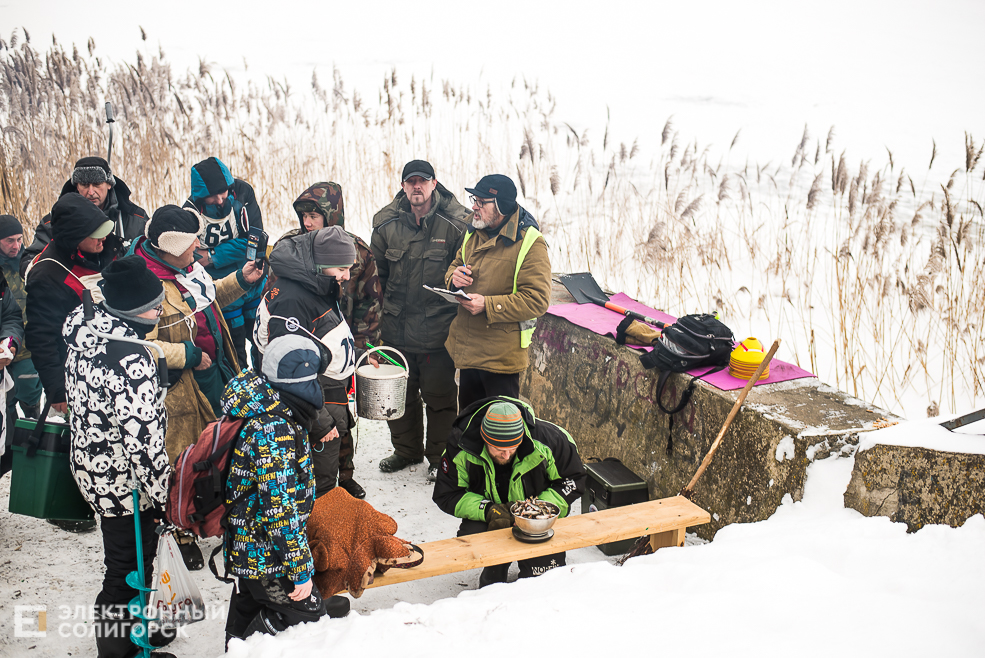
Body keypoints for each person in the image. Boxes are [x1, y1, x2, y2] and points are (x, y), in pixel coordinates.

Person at [129, 204, 264, 570]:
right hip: (181, 392)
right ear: (171, 246)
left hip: (217, 372)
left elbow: (208, 300)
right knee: (184, 460)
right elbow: (143, 345)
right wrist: (188, 354)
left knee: (222, 450)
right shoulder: (146, 282)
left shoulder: (188, 269)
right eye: (191, 242)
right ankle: (180, 531)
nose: (199, 247)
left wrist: (242, 279)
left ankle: (218, 515)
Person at [62, 256, 175, 657]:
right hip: (124, 482)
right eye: (154, 306)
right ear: (129, 310)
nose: (160, 311)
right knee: (125, 568)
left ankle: (140, 632)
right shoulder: (131, 359)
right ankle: (118, 651)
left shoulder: (87, 332)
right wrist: (166, 496)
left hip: (92, 466)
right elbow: (143, 444)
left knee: (132, 561)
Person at [222, 334, 350, 645]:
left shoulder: (263, 397)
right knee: (306, 617)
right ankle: (251, 647)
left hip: (247, 541)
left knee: (249, 597)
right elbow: (279, 511)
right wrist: (302, 572)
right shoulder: (273, 429)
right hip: (262, 550)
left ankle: (234, 645)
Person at [278, 181, 383, 498]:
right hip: (299, 351)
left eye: (315, 215)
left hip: (340, 351)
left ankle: (344, 473)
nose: (307, 222)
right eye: (304, 215)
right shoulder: (290, 247)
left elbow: (371, 304)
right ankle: (304, 478)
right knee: (301, 416)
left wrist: (366, 350)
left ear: (332, 215)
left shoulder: (358, 252)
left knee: (339, 415)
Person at [371, 160, 470, 481]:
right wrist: (372, 331)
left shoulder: (456, 224)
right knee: (398, 396)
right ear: (402, 186)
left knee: (440, 398)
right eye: (410, 182)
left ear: (434, 183)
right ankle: (405, 451)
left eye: (422, 181)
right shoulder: (386, 225)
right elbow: (375, 281)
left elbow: (467, 276)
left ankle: (438, 458)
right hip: (395, 331)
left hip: (438, 332)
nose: (417, 187)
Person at [432, 397, 586, 587]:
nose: (506, 455)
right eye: (498, 449)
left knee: (542, 584)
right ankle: (495, 566)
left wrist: (536, 509)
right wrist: (486, 509)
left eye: (513, 447)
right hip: (493, 516)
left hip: (537, 519)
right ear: (484, 438)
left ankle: (537, 567)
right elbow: (447, 494)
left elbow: (574, 479)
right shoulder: (460, 447)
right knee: (473, 534)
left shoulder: (551, 440)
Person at [444, 174, 552, 410]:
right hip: (467, 349)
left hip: (500, 359)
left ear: (502, 206)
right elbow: (455, 264)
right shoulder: (473, 231)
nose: (474, 206)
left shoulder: (531, 242)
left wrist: (488, 305)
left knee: (501, 433)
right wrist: (454, 278)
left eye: (482, 202)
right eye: (475, 199)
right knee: (468, 429)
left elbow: (537, 300)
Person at [182, 156, 266, 369]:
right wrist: (238, 247)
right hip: (223, 292)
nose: (220, 200)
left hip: (255, 284)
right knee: (235, 353)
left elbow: (256, 243)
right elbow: (190, 256)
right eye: (212, 197)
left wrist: (212, 255)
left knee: (263, 343)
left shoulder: (243, 193)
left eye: (223, 193)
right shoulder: (190, 211)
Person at [20, 156, 147, 275]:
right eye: (85, 185)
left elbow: (152, 258)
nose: (91, 192)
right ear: (76, 186)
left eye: (97, 185)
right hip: (72, 293)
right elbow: (29, 263)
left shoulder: (136, 218)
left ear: (109, 184)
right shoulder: (55, 221)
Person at [0, 215, 38, 479]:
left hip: (26, 350)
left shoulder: (29, 263)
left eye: (19, 239)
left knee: (32, 403)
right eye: (9, 241)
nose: (16, 245)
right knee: (8, 408)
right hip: (4, 356)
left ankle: (35, 457)